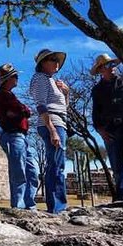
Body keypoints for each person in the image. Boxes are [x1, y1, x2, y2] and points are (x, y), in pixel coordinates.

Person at [90, 53, 123, 200]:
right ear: (101, 69)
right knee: (117, 167)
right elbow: (96, 113)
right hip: (111, 128)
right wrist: (101, 131)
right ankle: (122, 198)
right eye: (107, 65)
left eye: (113, 64)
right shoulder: (97, 90)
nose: (112, 68)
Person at [29, 49, 70, 214]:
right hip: (52, 123)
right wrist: (52, 130)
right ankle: (56, 207)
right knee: (55, 165)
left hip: (60, 121)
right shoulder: (40, 79)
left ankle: (59, 205)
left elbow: (64, 108)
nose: (56, 62)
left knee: (58, 164)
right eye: (52, 59)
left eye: (57, 59)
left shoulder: (51, 80)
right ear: (42, 63)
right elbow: (41, 105)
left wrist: (66, 93)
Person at [0, 63, 38, 209]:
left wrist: (22, 111)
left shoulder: (10, 96)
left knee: (32, 172)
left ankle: (29, 205)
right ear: (7, 79)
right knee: (18, 172)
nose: (17, 78)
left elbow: (23, 111)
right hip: (13, 135)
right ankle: (18, 207)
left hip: (22, 136)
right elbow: (16, 113)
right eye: (14, 76)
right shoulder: (2, 96)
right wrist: (23, 111)